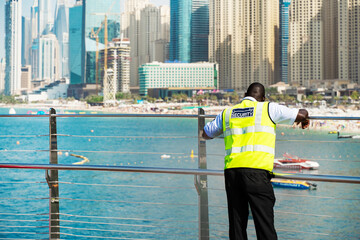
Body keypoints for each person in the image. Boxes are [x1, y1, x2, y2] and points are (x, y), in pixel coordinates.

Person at [202, 83, 309, 240]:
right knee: (264, 224)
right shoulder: (268, 108)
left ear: (245, 95)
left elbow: (206, 133)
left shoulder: (228, 112)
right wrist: (305, 116)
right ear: (263, 98)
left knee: (237, 224)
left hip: (232, 172)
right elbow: (300, 114)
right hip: (257, 173)